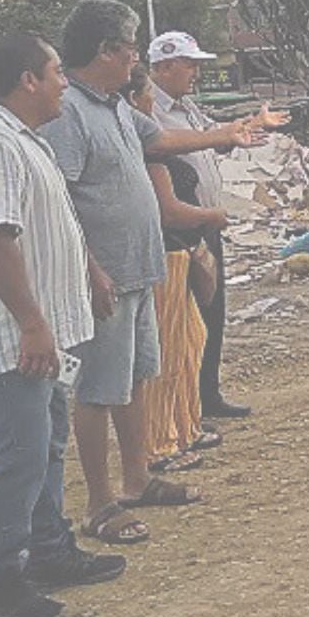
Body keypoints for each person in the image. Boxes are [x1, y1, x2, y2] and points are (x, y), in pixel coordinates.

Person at [38, 0, 261, 545]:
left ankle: (136, 478)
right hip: (106, 277)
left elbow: (159, 140)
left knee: (136, 377)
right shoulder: (69, 114)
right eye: (130, 49)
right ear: (104, 51)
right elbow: (59, 202)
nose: (135, 58)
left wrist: (227, 133)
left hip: (139, 269)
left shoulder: (114, 106)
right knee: (98, 390)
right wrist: (89, 270)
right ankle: (100, 503)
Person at [0, 33, 124, 617]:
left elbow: (55, 222)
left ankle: (49, 552)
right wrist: (31, 323)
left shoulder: (26, 140)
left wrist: (90, 271)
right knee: (21, 458)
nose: (64, 83)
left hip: (44, 334)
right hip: (12, 341)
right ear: (28, 80)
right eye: (56, 73)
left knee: (46, 446)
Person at [147, 30, 290, 419]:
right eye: (189, 65)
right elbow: (164, 145)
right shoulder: (147, 110)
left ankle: (207, 394)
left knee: (212, 313)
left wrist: (253, 124)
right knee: (183, 321)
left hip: (206, 225)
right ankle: (185, 404)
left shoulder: (187, 106)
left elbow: (218, 137)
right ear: (164, 66)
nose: (196, 73)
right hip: (177, 231)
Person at [119, 66, 224, 473]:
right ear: (135, 99)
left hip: (179, 252)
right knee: (166, 352)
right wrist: (211, 215)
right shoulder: (149, 151)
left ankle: (185, 426)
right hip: (165, 253)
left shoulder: (153, 142)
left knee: (189, 341)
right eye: (147, 92)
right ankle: (160, 442)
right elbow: (168, 210)